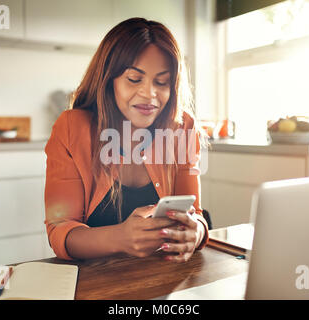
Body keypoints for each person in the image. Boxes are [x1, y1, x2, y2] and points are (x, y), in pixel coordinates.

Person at [44, 17, 209, 263]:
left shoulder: (182, 127)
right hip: (93, 281)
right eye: (134, 79)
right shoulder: (71, 127)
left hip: (160, 278)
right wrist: (119, 238)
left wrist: (197, 232)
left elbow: (195, 216)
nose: (149, 94)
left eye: (162, 82)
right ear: (108, 80)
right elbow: (60, 230)